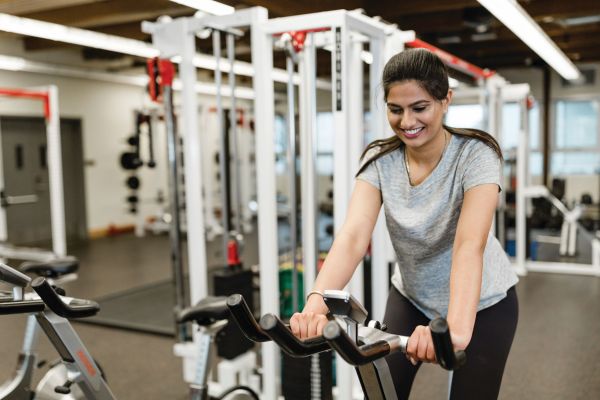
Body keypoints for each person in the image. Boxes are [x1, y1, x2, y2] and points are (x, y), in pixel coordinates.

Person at [290, 48, 519, 400]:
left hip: (484, 304)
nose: (406, 121)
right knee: (381, 393)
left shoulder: (476, 155)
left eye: (419, 107)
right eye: (395, 109)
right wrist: (315, 305)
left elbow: (469, 244)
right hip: (412, 297)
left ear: (446, 101)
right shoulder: (380, 159)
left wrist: (454, 330)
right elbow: (353, 236)